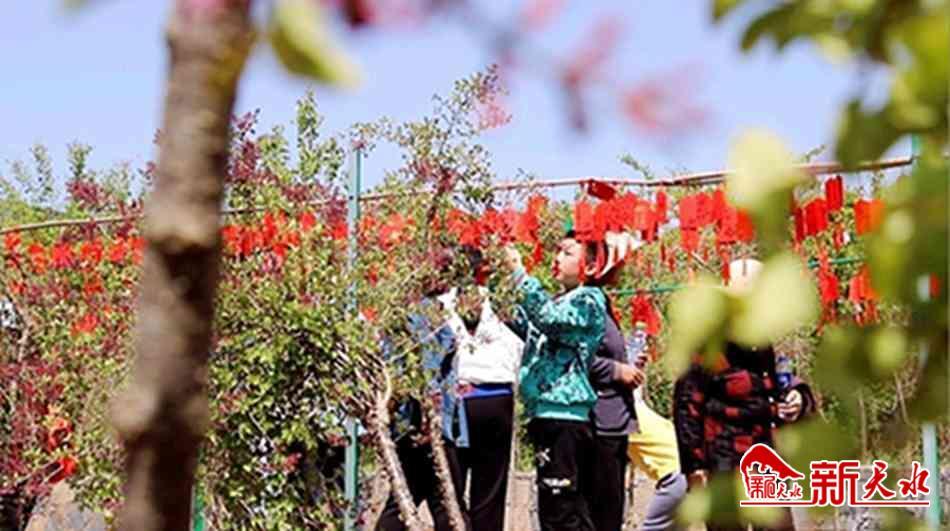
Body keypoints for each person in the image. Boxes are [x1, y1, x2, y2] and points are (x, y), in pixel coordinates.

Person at [672, 258, 816, 531]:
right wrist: (694, 467)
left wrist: (798, 396)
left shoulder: (761, 343)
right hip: (724, 463)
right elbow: (687, 405)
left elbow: (775, 386)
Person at [504, 235, 607, 531]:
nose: (557, 258)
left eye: (567, 253)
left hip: (565, 418)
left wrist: (519, 273)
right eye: (557, 252)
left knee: (561, 509)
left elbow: (549, 320)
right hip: (548, 416)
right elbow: (529, 325)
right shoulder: (561, 301)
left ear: (590, 266)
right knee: (558, 507)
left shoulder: (589, 300)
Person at [435, 247, 525, 531]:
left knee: (450, 494)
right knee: (490, 494)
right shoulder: (504, 303)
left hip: (458, 401)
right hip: (496, 400)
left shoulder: (440, 306)